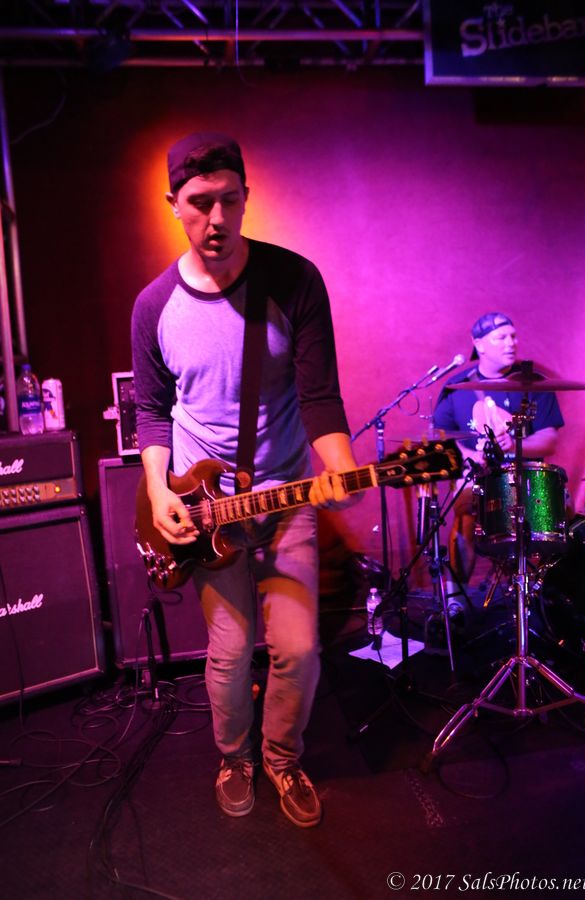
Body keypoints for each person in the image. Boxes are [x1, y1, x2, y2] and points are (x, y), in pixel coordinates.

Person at [131, 132, 359, 828]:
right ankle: (235, 758)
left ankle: (283, 758)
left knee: (298, 647)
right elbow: (151, 411)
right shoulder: (153, 306)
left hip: (285, 493)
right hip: (204, 507)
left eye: (230, 200)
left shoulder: (294, 280)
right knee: (230, 653)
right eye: (200, 202)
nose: (217, 218)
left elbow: (320, 395)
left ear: (247, 197)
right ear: (173, 204)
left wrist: (342, 467)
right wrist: (159, 491)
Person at [433, 312, 564, 587]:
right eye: (501, 337)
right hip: (481, 478)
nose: (511, 343)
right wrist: (469, 456)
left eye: (513, 336)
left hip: (526, 478)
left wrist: (516, 445)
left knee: (564, 509)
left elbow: (550, 439)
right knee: (464, 505)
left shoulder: (534, 384)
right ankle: (455, 595)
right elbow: (441, 437)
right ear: (479, 344)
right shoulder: (456, 388)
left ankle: (544, 592)